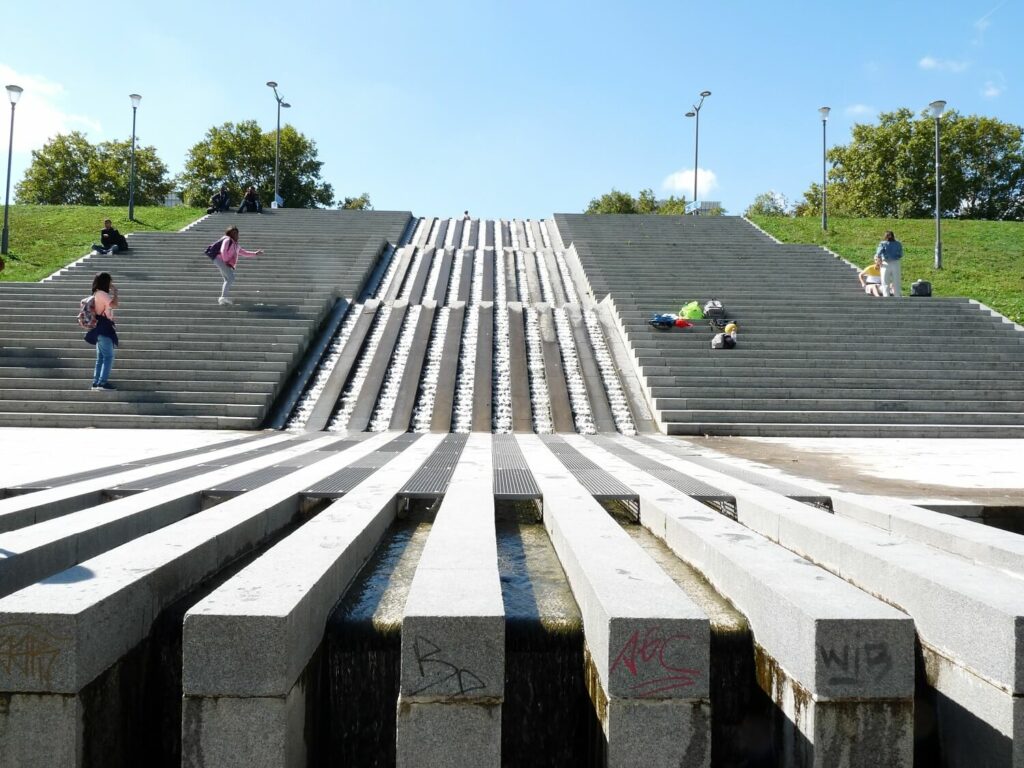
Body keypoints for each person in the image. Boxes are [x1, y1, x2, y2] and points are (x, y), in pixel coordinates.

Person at [211, 225, 263, 305]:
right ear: (229, 234)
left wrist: (255, 253)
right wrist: (226, 261)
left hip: (221, 261)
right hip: (220, 260)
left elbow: (244, 253)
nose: (235, 235)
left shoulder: (236, 245)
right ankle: (223, 298)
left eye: (236, 233)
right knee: (231, 278)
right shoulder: (227, 239)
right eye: (233, 233)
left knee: (227, 279)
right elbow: (223, 250)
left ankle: (223, 297)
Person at [90, 272, 120, 390]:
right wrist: (116, 292)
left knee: (101, 357)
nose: (111, 283)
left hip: (98, 327)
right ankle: (102, 383)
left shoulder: (96, 293)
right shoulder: (102, 294)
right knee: (108, 356)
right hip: (104, 327)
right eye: (110, 281)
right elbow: (115, 305)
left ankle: (96, 382)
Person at [875, 230, 904, 297]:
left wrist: (878, 262)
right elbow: (900, 254)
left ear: (885, 236)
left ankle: (886, 296)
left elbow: (878, 253)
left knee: (885, 281)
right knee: (896, 281)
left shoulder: (883, 243)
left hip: (886, 263)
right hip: (895, 262)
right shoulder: (898, 243)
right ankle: (897, 296)